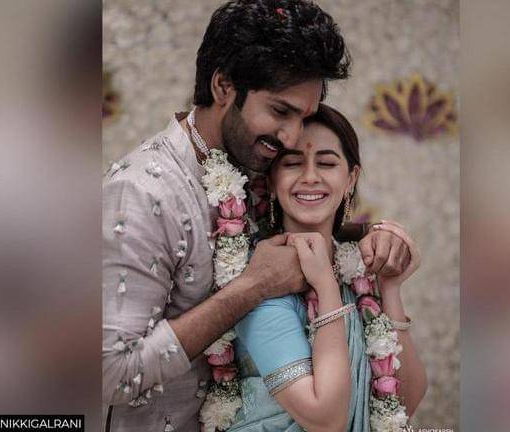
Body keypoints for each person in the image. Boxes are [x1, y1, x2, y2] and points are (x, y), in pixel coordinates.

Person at [102, 1, 414, 431]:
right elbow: (111, 373)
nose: (292, 137)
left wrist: (377, 235)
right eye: (281, 111)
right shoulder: (142, 191)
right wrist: (252, 288)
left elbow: (310, 218)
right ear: (223, 87)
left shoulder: (251, 166)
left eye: (303, 118)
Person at [227, 104, 427, 431]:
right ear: (272, 181)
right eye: (293, 163)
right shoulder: (260, 280)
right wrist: (326, 288)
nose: (310, 177)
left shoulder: (356, 269)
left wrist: (390, 288)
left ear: (351, 179)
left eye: (327, 163)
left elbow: (405, 401)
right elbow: (325, 420)